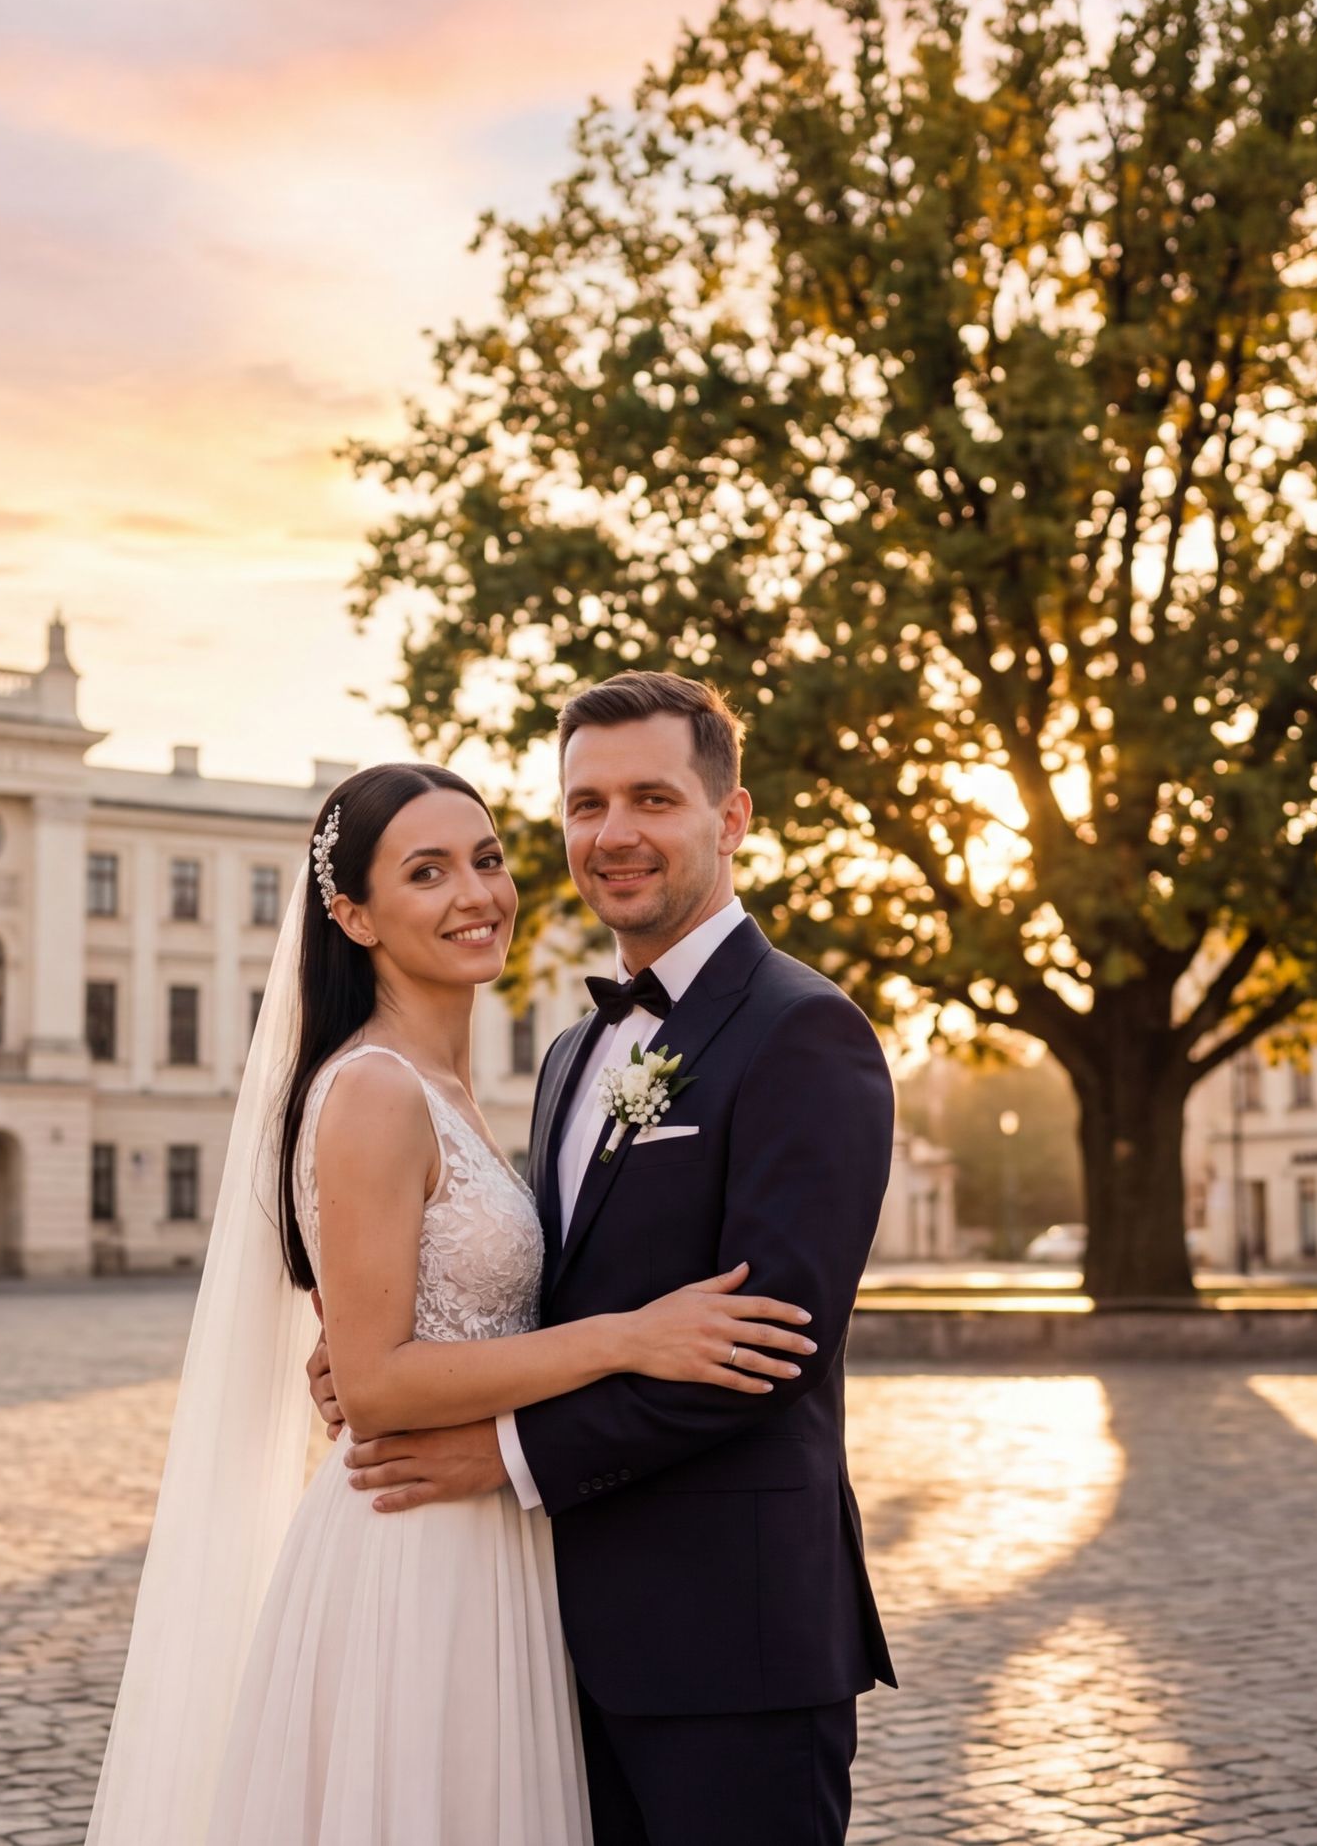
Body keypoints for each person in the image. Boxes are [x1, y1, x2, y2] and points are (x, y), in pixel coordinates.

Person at [85, 756, 818, 1846]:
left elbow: (433, 1318)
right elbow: (378, 1385)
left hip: (502, 1542)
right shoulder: (376, 1089)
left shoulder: (494, 1083)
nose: (476, 895)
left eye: (485, 859)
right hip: (415, 1554)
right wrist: (628, 1338)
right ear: (352, 915)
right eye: (426, 872)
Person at [322, 672, 898, 1845]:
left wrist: (503, 1452)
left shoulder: (805, 1030)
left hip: (733, 1644)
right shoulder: (573, 1052)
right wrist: (388, 1353)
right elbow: (542, 1291)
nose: (613, 833)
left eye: (652, 799)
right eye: (586, 805)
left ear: (731, 819)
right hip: (548, 1637)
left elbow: (767, 1351)